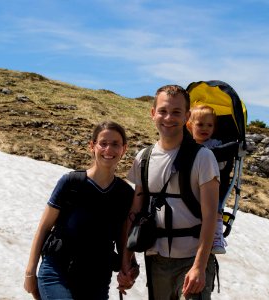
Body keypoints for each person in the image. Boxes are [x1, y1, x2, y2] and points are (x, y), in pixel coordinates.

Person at [119, 85, 220, 299]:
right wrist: (126, 259)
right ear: (153, 113)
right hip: (156, 260)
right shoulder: (143, 158)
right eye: (163, 111)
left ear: (187, 116)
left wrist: (199, 267)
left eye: (176, 112)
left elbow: (211, 216)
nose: (168, 118)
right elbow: (135, 212)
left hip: (192, 260)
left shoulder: (203, 158)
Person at [24, 121, 137, 300]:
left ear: (124, 149)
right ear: (92, 146)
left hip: (97, 279)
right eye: (103, 143)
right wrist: (30, 274)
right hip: (57, 271)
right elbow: (44, 228)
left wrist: (130, 270)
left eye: (115, 144)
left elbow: (123, 239)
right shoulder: (71, 183)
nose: (109, 149)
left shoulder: (125, 193)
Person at [186, 105, 227, 255]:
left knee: (216, 209)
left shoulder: (216, 145)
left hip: (211, 182)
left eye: (210, 125)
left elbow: (222, 164)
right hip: (189, 183)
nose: (205, 128)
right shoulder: (185, 143)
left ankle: (216, 237)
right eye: (200, 124)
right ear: (190, 125)